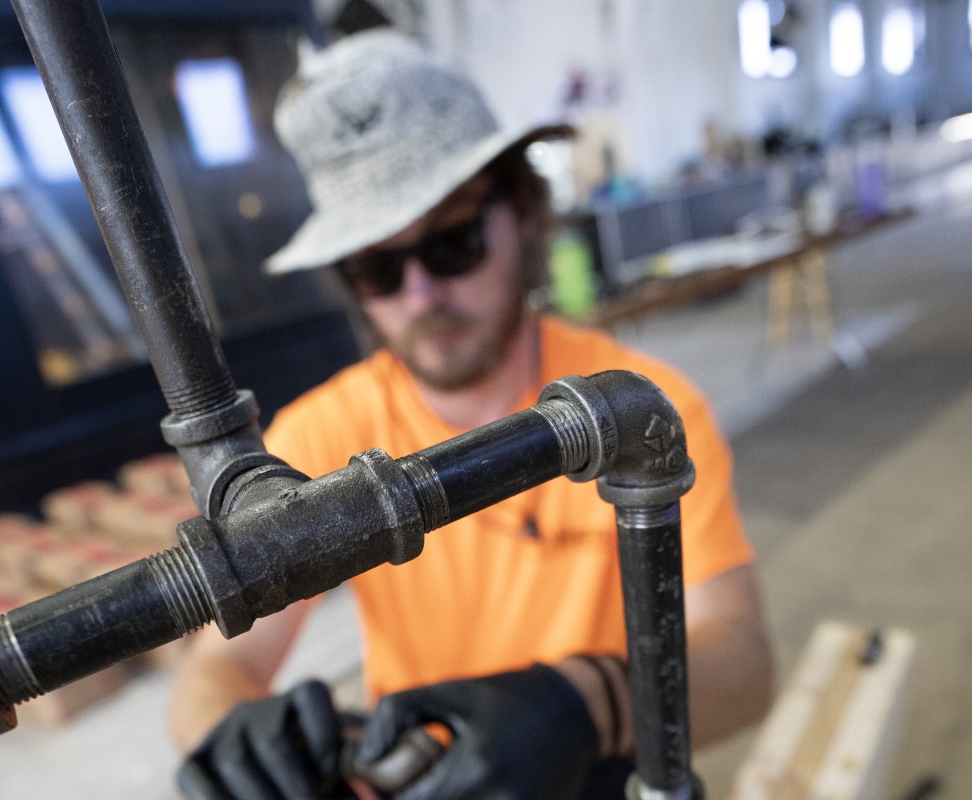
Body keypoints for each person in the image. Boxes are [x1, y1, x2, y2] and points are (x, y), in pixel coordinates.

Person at [168, 28, 773, 799]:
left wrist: (587, 705)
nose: (422, 294)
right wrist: (237, 743)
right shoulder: (319, 436)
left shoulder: (642, 412)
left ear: (523, 213)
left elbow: (743, 665)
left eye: (453, 242)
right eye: (377, 267)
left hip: (599, 754)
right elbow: (217, 668)